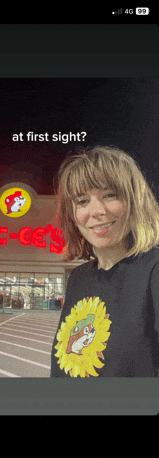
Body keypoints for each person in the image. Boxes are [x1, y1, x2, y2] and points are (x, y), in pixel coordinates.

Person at [50, 146, 159, 377]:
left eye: (110, 195)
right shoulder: (79, 278)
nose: (96, 211)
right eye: (82, 201)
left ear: (134, 201)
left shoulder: (153, 270)